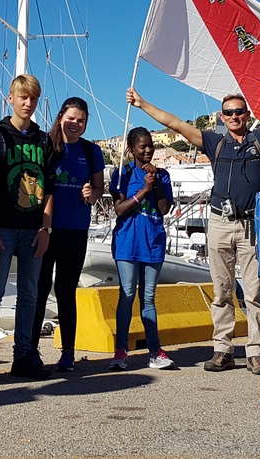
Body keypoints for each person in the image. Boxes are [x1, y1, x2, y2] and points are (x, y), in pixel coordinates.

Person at [127, 57, 260, 375]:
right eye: (228, 112)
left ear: (247, 115)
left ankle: (255, 351)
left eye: (239, 112)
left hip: (252, 223)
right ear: (221, 117)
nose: (234, 116)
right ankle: (222, 349)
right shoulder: (213, 141)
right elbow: (174, 123)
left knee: (254, 290)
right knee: (222, 290)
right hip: (220, 222)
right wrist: (143, 104)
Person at [0, 73, 56, 382]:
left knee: (29, 294)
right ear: (11, 98)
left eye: (33, 98)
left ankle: (23, 355)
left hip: (33, 229)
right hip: (4, 229)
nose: (28, 102)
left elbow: (49, 188)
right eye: (23, 97)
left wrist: (46, 229)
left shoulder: (43, 139)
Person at [32, 97, 104, 373]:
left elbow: (98, 189)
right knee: (37, 290)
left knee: (65, 290)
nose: (75, 124)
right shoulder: (46, 145)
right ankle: (32, 350)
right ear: (61, 116)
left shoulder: (91, 151)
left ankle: (67, 353)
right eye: (71, 118)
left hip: (75, 229)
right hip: (44, 228)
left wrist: (91, 194)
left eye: (81, 120)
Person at [108, 127, 176, 371]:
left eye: (151, 146)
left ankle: (154, 350)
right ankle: (121, 349)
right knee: (126, 295)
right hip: (127, 243)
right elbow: (119, 209)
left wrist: (155, 184)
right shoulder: (122, 174)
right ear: (131, 149)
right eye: (142, 146)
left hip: (153, 242)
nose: (148, 150)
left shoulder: (163, 175)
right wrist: (143, 191)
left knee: (148, 298)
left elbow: (164, 208)